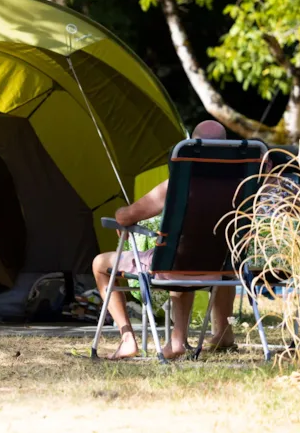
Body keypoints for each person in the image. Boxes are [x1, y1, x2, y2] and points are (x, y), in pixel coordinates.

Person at [91, 120, 236, 360]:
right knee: (185, 257)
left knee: (100, 263)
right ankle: (177, 340)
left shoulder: (177, 186)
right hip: (218, 270)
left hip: (173, 268)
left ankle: (128, 339)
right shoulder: (241, 186)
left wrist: (120, 215)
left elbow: (126, 217)